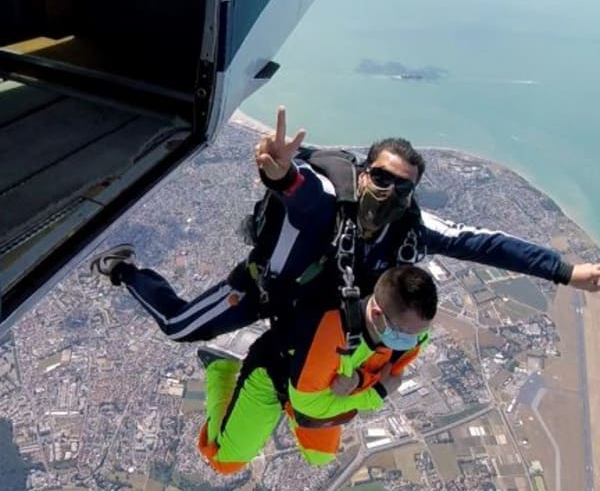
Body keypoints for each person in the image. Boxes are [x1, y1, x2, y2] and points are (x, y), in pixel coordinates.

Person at [90, 107, 600, 344]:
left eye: (403, 186)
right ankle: (125, 269)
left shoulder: (413, 231)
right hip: (262, 291)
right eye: (381, 176)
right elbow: (302, 195)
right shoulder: (330, 199)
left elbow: (486, 246)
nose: (390, 191)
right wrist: (278, 172)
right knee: (180, 327)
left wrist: (565, 272)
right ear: (363, 172)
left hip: (315, 309)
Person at [197, 265, 437, 474]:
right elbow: (310, 406)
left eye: (420, 333)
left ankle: (297, 400)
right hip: (273, 376)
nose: (415, 340)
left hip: (314, 384)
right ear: (377, 314)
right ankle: (221, 367)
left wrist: (360, 380)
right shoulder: (331, 337)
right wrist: (376, 394)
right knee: (225, 461)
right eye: (406, 334)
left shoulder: (408, 326)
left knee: (320, 455)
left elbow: (392, 365)